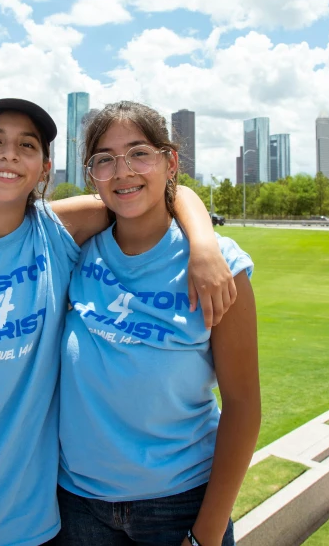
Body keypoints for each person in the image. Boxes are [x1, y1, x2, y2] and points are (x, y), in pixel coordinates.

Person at [0, 98, 236, 546]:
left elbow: (154, 188)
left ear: (45, 168)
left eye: (27, 145)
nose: (8, 154)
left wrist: (203, 242)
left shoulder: (58, 232)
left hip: (17, 518)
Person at [57, 101, 261, 546]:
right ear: (91, 174)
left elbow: (244, 407)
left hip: (180, 505)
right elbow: (7, 231)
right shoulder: (76, 250)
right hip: (77, 505)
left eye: (138, 153)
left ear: (170, 162)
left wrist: (205, 534)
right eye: (104, 160)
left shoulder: (220, 266)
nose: (123, 170)